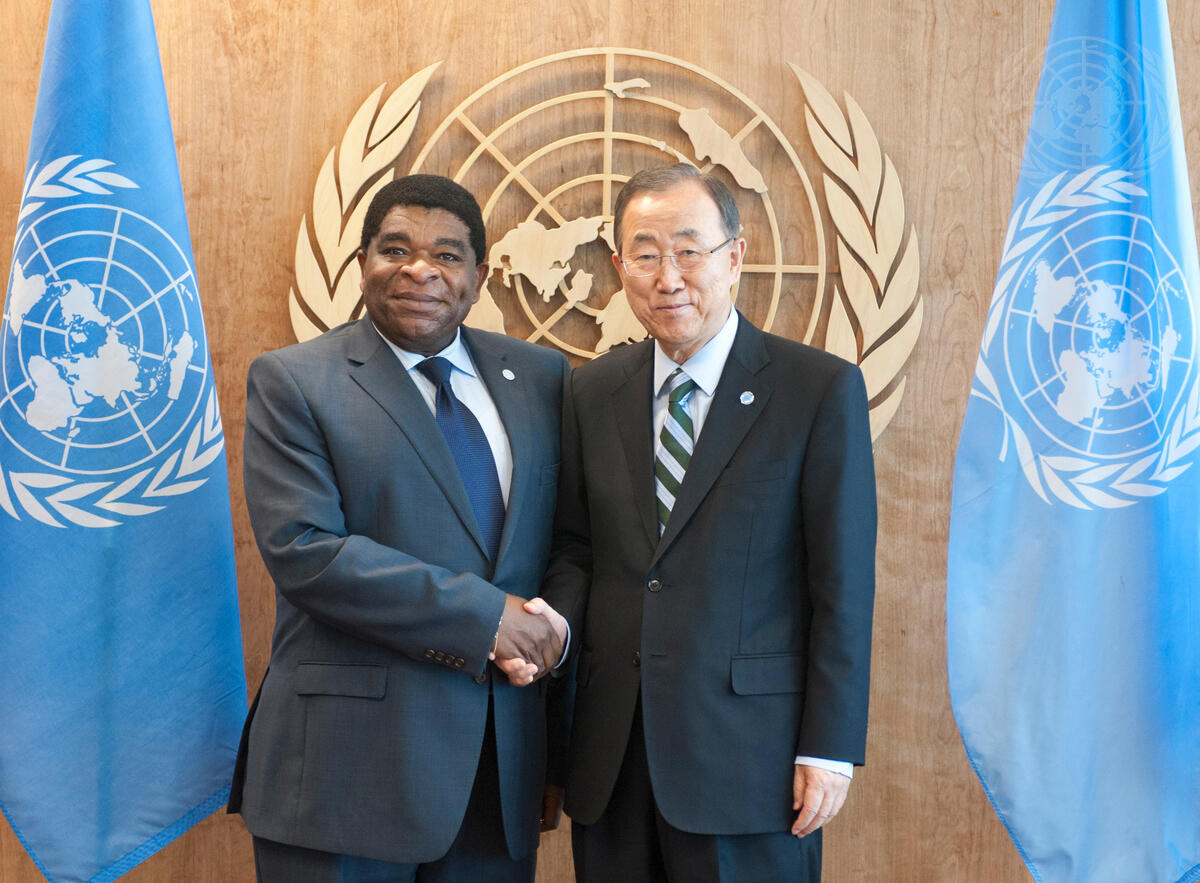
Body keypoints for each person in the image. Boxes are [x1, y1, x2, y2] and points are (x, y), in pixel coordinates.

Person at [539, 163, 877, 881]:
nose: (668, 278)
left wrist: (829, 746)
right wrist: (547, 652)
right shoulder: (590, 392)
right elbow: (576, 552)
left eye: (689, 251)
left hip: (752, 758)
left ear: (735, 256)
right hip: (611, 756)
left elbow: (842, 584)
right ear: (619, 267)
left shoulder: (816, 390)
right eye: (646, 254)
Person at [228, 174, 569, 882]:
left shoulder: (542, 378)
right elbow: (306, 552)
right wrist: (487, 618)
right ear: (361, 265)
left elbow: (568, 541)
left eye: (447, 255)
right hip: (343, 772)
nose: (420, 270)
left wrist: (553, 632)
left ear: (479, 277)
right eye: (395, 249)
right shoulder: (295, 380)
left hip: (495, 774)